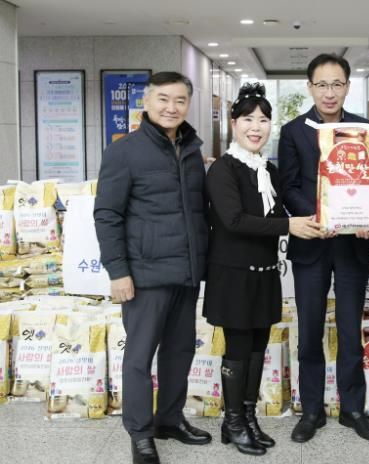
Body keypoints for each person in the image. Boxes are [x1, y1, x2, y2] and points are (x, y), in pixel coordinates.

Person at [94, 72, 211, 464]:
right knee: (140, 357)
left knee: (180, 351)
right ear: (146, 102)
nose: (171, 107)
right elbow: (107, 215)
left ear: (188, 104)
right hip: (144, 275)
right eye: (163, 99)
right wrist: (117, 271)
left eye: (180, 100)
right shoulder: (124, 151)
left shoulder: (192, 149)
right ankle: (141, 433)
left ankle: (170, 420)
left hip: (186, 272)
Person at [203, 83, 324, 456]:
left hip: (265, 272)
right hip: (233, 275)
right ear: (233, 123)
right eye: (248, 119)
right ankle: (232, 422)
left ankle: (248, 417)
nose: (256, 127)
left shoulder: (268, 169)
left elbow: (285, 205)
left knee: (258, 348)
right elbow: (235, 220)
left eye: (264, 120)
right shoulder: (222, 169)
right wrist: (290, 225)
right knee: (239, 348)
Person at [278, 53, 369, 443]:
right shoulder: (293, 131)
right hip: (312, 243)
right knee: (309, 331)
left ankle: (353, 408)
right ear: (309, 88)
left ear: (347, 87)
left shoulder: (366, 131)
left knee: (351, 330)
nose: (329, 92)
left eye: (336, 84)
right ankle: (312, 411)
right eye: (321, 84)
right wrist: (318, 215)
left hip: (354, 244)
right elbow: (288, 186)